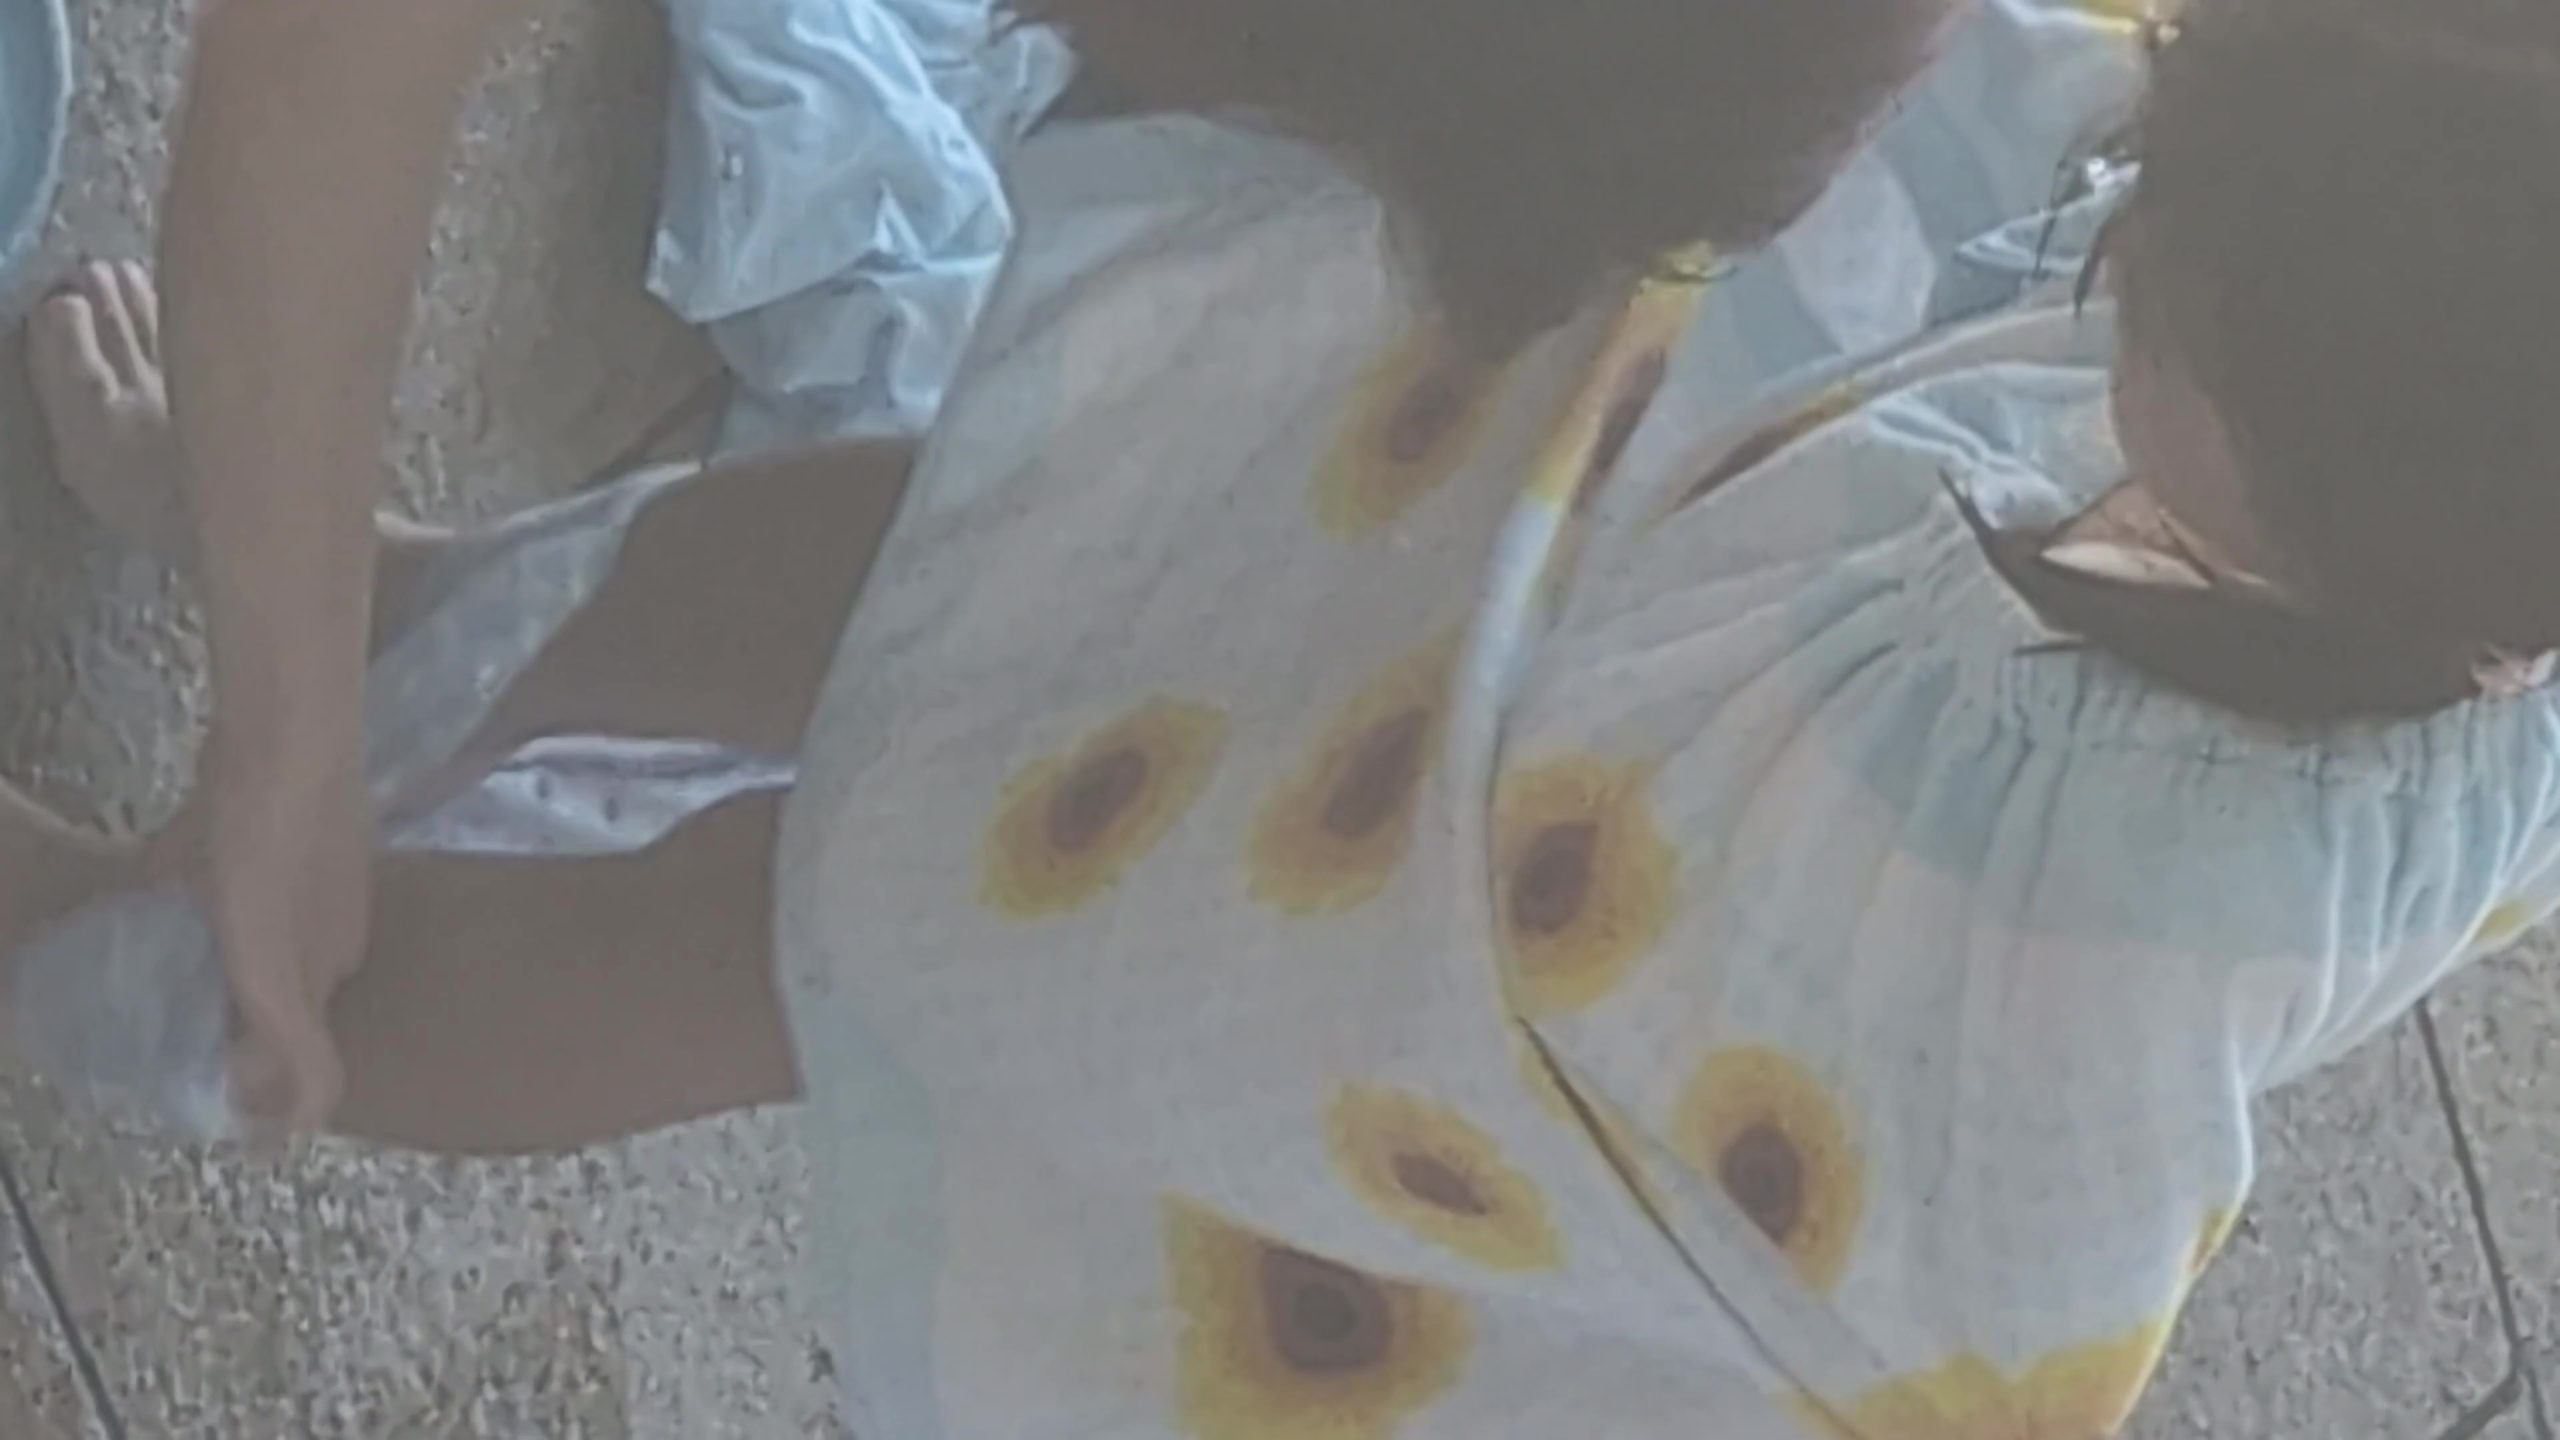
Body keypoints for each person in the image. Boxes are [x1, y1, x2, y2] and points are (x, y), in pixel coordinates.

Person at [13, 0, 2547, 1433]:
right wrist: (292, 666)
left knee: (791, 931)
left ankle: (108, 941)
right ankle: (361, 585)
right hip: (1557, 516)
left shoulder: (2070, 1008)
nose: (2096, 246)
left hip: (1439, 972)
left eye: (2144, 299)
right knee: (973, 532)